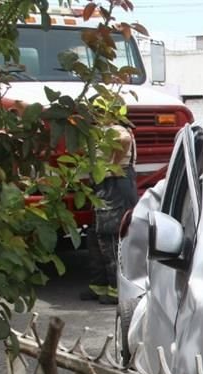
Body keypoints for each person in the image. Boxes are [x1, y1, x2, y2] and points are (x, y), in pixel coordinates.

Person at [81, 96, 138, 304]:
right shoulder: (104, 129)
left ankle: (117, 290)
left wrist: (111, 164)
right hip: (106, 185)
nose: (94, 115)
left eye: (97, 111)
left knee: (111, 237)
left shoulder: (116, 128)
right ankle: (99, 285)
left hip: (115, 184)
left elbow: (124, 140)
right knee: (96, 235)